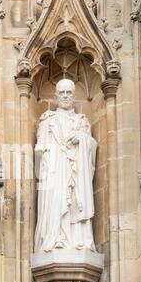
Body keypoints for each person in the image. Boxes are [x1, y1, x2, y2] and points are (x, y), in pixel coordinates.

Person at [34, 79, 97, 253]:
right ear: (55, 97)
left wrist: (82, 139)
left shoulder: (82, 122)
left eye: (69, 92)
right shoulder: (48, 120)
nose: (65, 96)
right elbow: (40, 150)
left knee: (76, 201)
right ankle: (56, 238)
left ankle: (78, 240)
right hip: (55, 169)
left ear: (74, 96)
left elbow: (92, 149)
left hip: (76, 171)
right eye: (61, 93)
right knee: (56, 201)